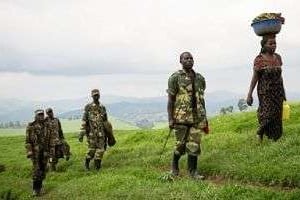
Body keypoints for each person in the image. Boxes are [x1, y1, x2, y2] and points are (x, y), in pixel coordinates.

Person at [167, 52, 209, 179]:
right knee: (180, 145)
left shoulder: (200, 78)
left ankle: (193, 172)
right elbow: (171, 100)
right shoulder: (175, 77)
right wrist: (170, 118)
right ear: (181, 61)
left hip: (197, 118)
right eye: (186, 58)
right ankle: (174, 167)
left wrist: (204, 118)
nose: (189, 60)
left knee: (194, 145)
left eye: (191, 58)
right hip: (181, 118)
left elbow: (201, 98)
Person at [247, 34, 286, 142]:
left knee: (277, 115)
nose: (273, 46)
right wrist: (249, 94)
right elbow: (255, 78)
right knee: (268, 114)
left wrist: (284, 92)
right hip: (265, 92)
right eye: (270, 43)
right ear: (264, 45)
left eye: (275, 43)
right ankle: (260, 132)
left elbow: (280, 76)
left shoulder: (278, 57)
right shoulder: (259, 59)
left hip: (278, 91)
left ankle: (275, 138)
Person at [79, 89, 115, 170]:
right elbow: (84, 120)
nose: (96, 96)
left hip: (101, 134)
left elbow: (105, 121)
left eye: (97, 95)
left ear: (99, 95)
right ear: (92, 96)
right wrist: (82, 132)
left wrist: (110, 134)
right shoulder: (88, 107)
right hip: (91, 134)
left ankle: (97, 167)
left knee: (101, 150)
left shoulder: (102, 107)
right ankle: (87, 165)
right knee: (91, 151)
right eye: (94, 95)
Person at [25, 109, 49, 196]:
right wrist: (29, 152)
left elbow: (48, 139)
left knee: (43, 170)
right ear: (35, 116)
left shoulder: (46, 125)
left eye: (42, 114)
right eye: (39, 115)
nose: (41, 116)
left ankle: (40, 188)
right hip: (35, 153)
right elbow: (27, 141)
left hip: (45, 152)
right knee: (36, 170)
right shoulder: (31, 126)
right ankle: (35, 190)